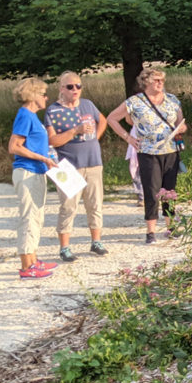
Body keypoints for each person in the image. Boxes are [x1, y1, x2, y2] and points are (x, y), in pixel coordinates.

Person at [107, 68, 187, 244]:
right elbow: (112, 118)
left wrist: (181, 128)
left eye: (162, 80)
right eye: (156, 80)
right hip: (148, 152)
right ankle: (150, 231)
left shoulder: (172, 100)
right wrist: (128, 138)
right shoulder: (135, 102)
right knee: (151, 190)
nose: (160, 83)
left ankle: (171, 226)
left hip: (171, 150)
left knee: (170, 190)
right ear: (146, 82)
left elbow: (181, 123)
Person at [44, 71, 109, 262]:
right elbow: (52, 140)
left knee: (95, 203)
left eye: (78, 86)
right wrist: (75, 131)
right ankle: (64, 247)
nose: (75, 90)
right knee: (68, 206)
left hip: (93, 161)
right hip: (67, 166)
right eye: (70, 87)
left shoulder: (88, 104)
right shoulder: (53, 111)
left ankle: (96, 241)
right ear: (61, 89)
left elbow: (102, 119)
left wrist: (95, 138)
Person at [7, 77, 58, 279]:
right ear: (34, 95)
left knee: (36, 217)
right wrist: (42, 157)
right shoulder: (25, 116)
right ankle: (27, 266)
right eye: (44, 94)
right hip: (27, 171)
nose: (47, 98)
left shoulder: (32, 117)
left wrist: (47, 157)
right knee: (29, 218)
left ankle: (34, 259)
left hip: (37, 171)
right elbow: (14, 147)